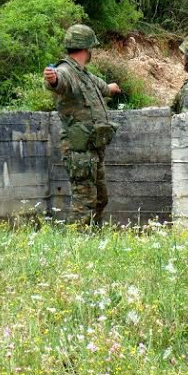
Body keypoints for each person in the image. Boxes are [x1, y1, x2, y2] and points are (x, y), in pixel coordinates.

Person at [44, 24, 121, 226]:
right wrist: (52, 80)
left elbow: (103, 87)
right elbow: (59, 82)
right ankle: (75, 247)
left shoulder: (84, 74)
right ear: (88, 48)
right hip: (80, 152)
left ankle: (93, 241)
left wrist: (112, 88)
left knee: (100, 198)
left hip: (93, 150)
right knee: (84, 204)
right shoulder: (66, 71)